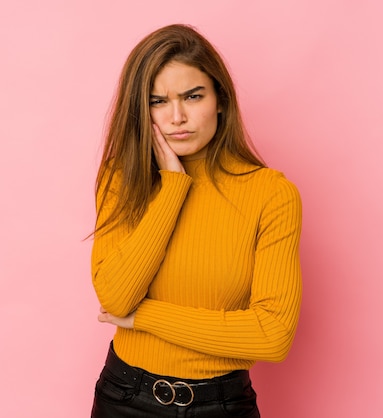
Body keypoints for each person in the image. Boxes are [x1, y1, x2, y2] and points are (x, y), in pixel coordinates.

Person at [90, 23, 302, 417]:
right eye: (157, 101)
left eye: (193, 96)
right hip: (124, 398)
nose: (177, 117)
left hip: (221, 405)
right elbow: (116, 298)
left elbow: (272, 336)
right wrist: (173, 186)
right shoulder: (122, 179)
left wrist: (143, 316)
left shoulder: (272, 195)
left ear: (220, 99)